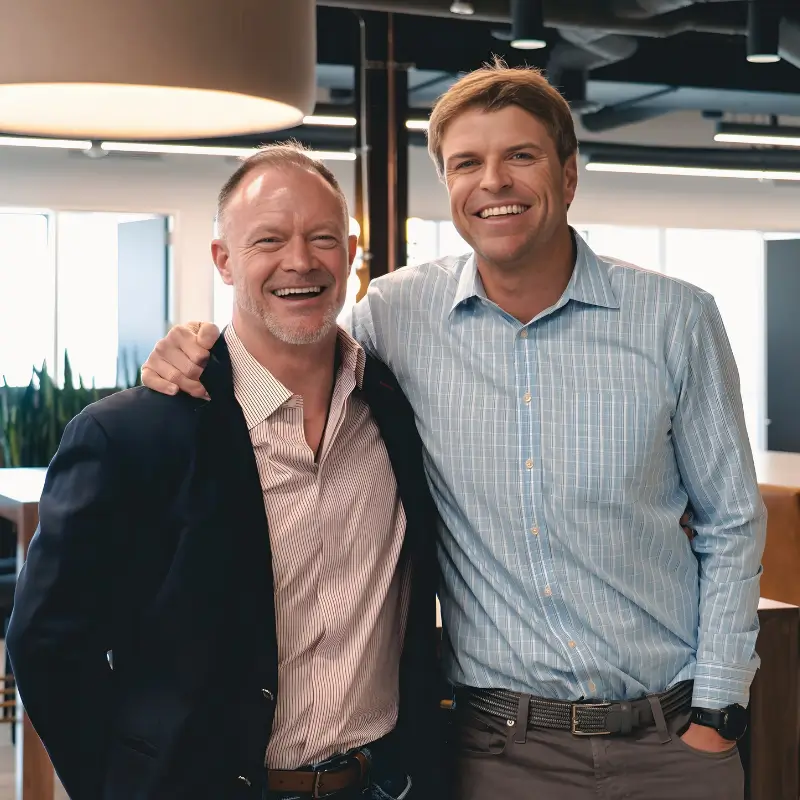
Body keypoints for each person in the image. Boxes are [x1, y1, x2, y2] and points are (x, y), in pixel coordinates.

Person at [141, 60, 766, 800]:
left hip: (671, 742)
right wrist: (192, 345)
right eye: (468, 163)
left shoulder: (676, 319)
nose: (493, 182)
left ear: (568, 176)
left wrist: (717, 711)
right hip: (498, 754)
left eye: (521, 156)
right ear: (447, 184)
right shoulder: (395, 316)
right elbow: (289, 324)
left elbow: (731, 519)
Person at [7, 144, 443, 800]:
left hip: (380, 784)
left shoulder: (394, 406)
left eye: (323, 238)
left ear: (351, 253)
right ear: (223, 260)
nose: (300, 260)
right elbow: (46, 643)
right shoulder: (131, 435)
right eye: (268, 239)